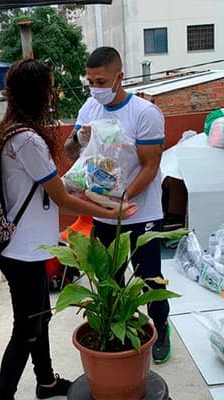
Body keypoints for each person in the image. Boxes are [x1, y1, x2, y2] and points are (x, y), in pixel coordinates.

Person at [0, 59, 137, 400]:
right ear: (38, 94)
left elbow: (58, 187)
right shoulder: (26, 140)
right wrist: (106, 210)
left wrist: (109, 205)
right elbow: (62, 199)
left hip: (28, 247)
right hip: (22, 252)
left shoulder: (11, 132)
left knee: (39, 322)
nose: (53, 96)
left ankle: (46, 383)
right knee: (26, 329)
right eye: (50, 88)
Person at [64, 47, 172, 364]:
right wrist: (79, 140)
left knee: (150, 277)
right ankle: (118, 327)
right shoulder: (89, 108)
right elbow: (73, 156)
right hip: (104, 213)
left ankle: (161, 327)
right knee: (110, 277)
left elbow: (150, 166)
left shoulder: (144, 113)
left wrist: (124, 201)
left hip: (141, 213)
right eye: (90, 81)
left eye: (101, 80)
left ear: (119, 77)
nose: (94, 87)